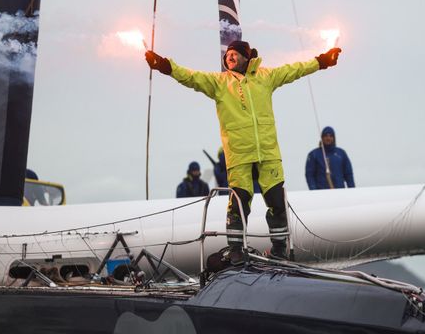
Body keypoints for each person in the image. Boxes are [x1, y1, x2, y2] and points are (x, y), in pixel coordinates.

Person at [145, 40, 342, 262]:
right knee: (239, 202)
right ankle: (236, 252)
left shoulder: (266, 77)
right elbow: (190, 77)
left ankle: (279, 251)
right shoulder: (219, 83)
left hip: (268, 153)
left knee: (277, 201)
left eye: (234, 53)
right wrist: (164, 65)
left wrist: (322, 61)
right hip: (239, 155)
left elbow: (295, 70)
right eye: (227, 54)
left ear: (246, 57)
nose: (229, 56)